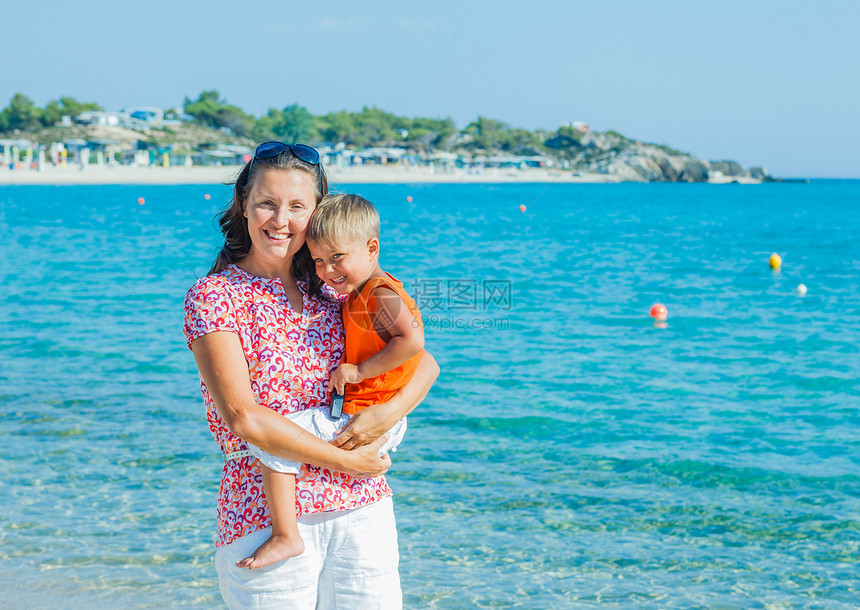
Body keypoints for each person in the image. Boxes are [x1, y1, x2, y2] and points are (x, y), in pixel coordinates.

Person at [183, 142, 439, 608]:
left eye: (297, 206)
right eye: (266, 203)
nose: (280, 220)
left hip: (363, 507)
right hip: (263, 515)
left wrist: (387, 414)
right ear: (243, 205)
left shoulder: (335, 288)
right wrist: (347, 461)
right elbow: (245, 418)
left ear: (317, 213)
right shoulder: (214, 296)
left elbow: (425, 361)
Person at [237, 193, 425, 570]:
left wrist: (358, 372)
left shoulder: (379, 293)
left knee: (276, 441)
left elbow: (414, 342)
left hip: (371, 411)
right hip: (368, 410)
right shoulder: (356, 292)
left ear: (372, 248)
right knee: (280, 439)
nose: (326, 270)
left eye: (337, 257)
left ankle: (285, 535)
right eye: (319, 260)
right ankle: (288, 532)